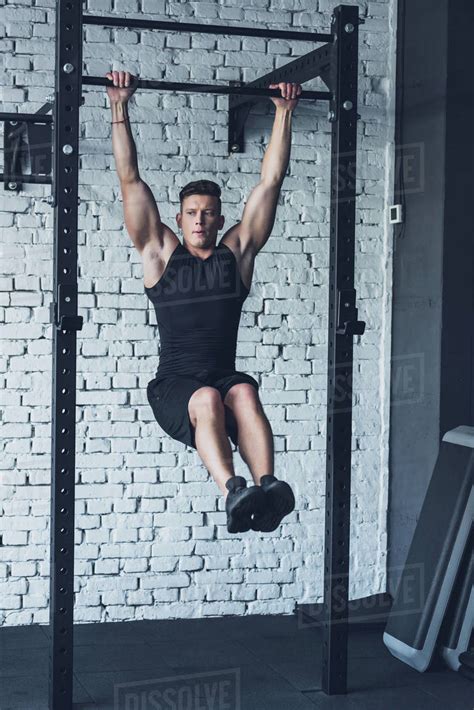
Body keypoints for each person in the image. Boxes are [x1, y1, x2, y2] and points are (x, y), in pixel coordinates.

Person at [106, 70, 300, 534]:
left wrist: (283, 112)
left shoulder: (236, 254)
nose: (200, 221)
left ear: (220, 219)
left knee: (244, 391)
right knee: (210, 397)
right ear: (178, 217)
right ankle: (234, 492)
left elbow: (270, 183)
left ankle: (266, 487)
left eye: (208, 214)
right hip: (175, 387)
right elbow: (130, 179)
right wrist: (119, 106)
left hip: (222, 377)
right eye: (192, 214)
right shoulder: (159, 253)